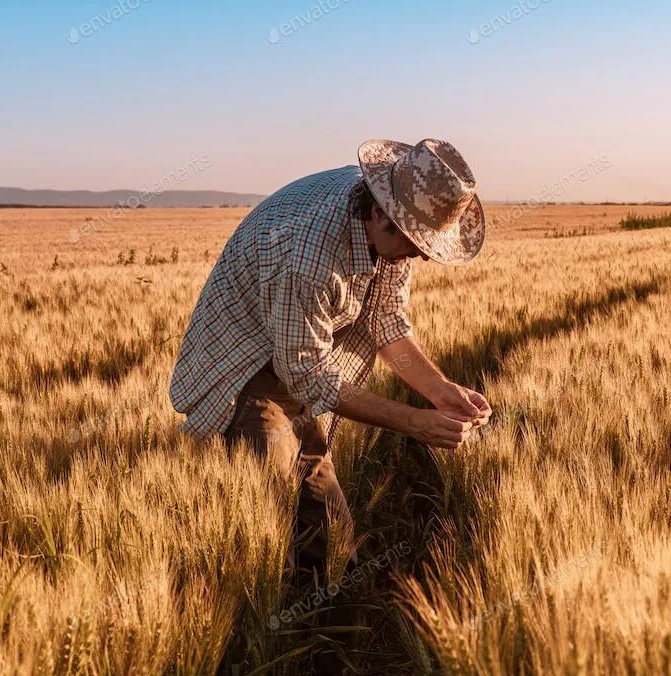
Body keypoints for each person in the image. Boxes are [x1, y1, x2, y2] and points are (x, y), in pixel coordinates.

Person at [169, 139, 492, 587]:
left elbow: (385, 319)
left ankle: (332, 600)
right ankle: (270, 606)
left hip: (301, 357)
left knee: (332, 526)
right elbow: (307, 375)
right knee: (271, 515)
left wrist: (441, 392)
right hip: (247, 367)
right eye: (416, 244)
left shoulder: (394, 223)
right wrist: (416, 423)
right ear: (378, 213)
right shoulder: (308, 255)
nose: (421, 255)